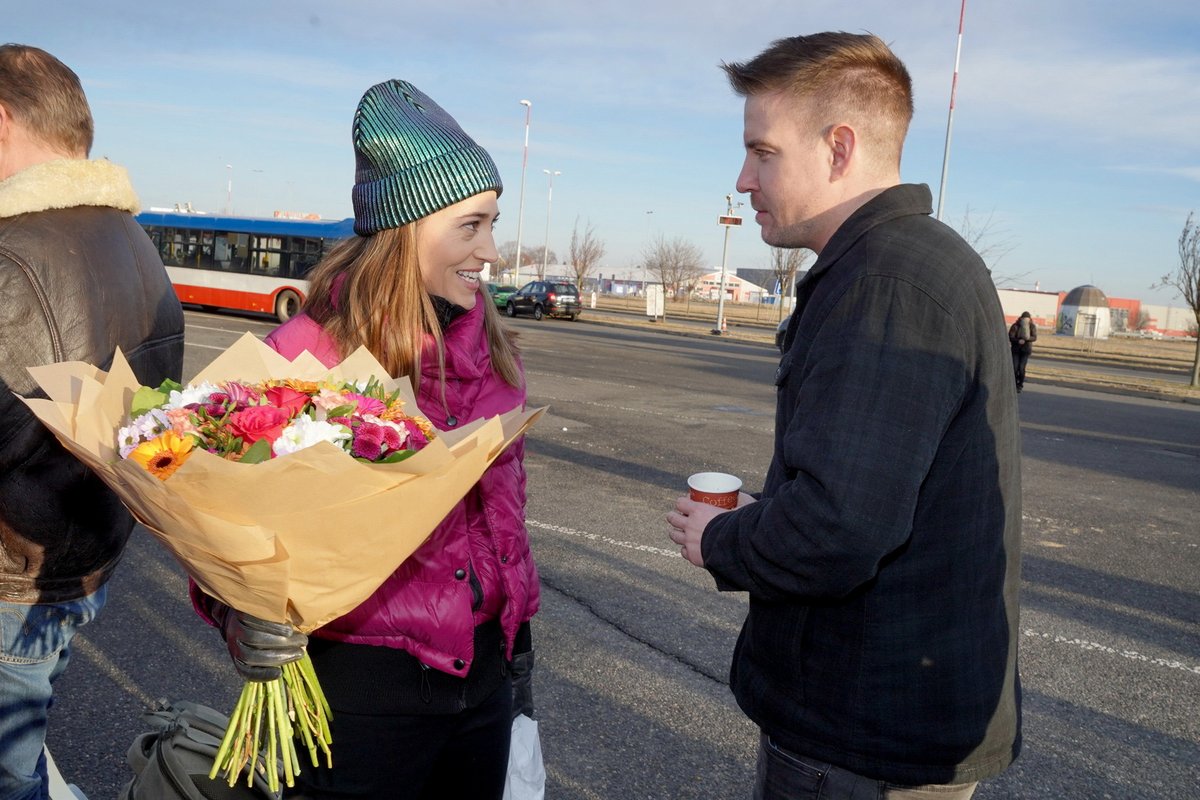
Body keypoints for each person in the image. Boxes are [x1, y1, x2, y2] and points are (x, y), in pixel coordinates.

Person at [666, 33, 1022, 799]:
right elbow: (875, 489)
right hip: (889, 717)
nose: (743, 178)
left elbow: (840, 529)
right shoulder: (908, 263)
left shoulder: (886, 283)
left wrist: (723, 538)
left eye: (762, 152)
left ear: (839, 148)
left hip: (863, 735)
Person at [189, 79, 538, 800]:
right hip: (359, 691)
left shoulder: (494, 350)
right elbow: (216, 510)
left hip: (486, 682)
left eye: (493, 224)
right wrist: (236, 615)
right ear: (407, 227)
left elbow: (506, 516)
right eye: (471, 226)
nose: (491, 251)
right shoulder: (305, 357)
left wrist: (517, 657)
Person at [0, 44, 185, 800]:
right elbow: (160, 415)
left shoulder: (14, 255)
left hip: (12, 575)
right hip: (86, 561)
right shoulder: (136, 243)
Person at [1009, 310, 1037, 392]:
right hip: (1015, 350)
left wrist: (1027, 339)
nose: (1025, 320)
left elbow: (1034, 337)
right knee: (1014, 368)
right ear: (1021, 318)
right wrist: (1018, 341)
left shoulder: (1032, 326)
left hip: (1025, 350)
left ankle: (1020, 384)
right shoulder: (1015, 326)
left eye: (1027, 318)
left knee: (1021, 368)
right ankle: (1014, 384)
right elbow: (1010, 336)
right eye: (1024, 318)